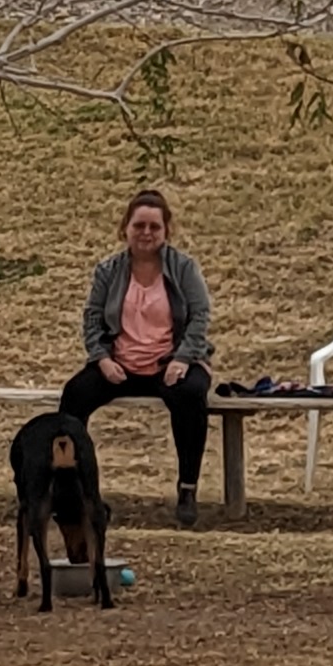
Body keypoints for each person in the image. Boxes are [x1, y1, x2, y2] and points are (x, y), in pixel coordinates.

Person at [62, 187, 215, 525]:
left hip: (171, 363)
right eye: (139, 226)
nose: (146, 233)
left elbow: (201, 317)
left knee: (190, 396)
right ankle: (74, 490)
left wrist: (182, 359)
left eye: (154, 227)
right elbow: (92, 318)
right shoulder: (108, 270)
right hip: (121, 363)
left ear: (166, 231)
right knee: (74, 396)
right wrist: (101, 358)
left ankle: (187, 488)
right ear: (125, 229)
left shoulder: (184, 268)